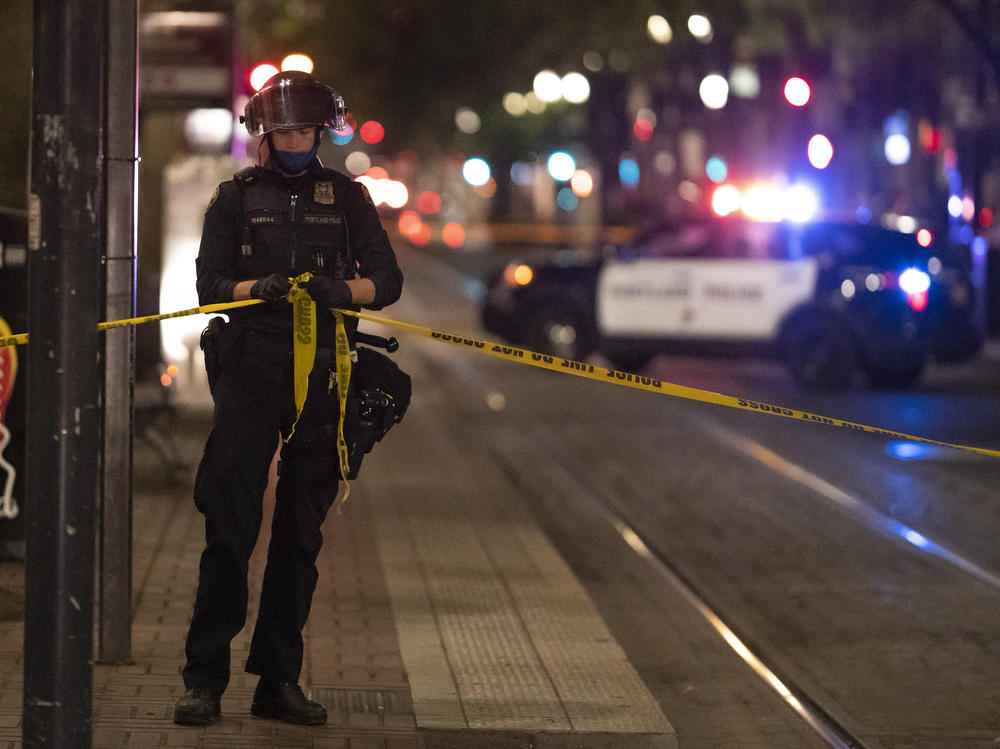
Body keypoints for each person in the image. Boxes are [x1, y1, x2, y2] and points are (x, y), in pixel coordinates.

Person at [173, 70, 403, 726]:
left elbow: (387, 279)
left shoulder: (351, 198)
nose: (295, 140)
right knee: (230, 526)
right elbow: (210, 285)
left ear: (321, 132)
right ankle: (204, 679)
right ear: (264, 136)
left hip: (325, 376)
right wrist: (257, 288)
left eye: (305, 129)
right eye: (284, 131)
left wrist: (345, 293)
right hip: (252, 373)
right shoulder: (235, 198)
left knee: (300, 532)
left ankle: (278, 680)